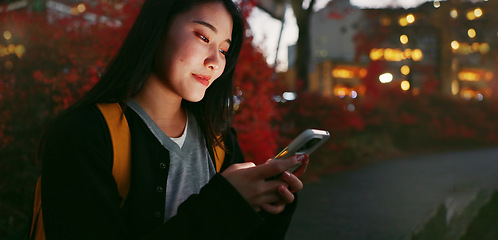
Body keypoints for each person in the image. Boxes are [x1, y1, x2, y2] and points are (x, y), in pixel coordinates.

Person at [37, 0, 308, 239]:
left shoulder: (218, 138)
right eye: (203, 37)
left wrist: (272, 206)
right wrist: (226, 204)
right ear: (158, 29)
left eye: (224, 50)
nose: (215, 61)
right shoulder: (84, 135)